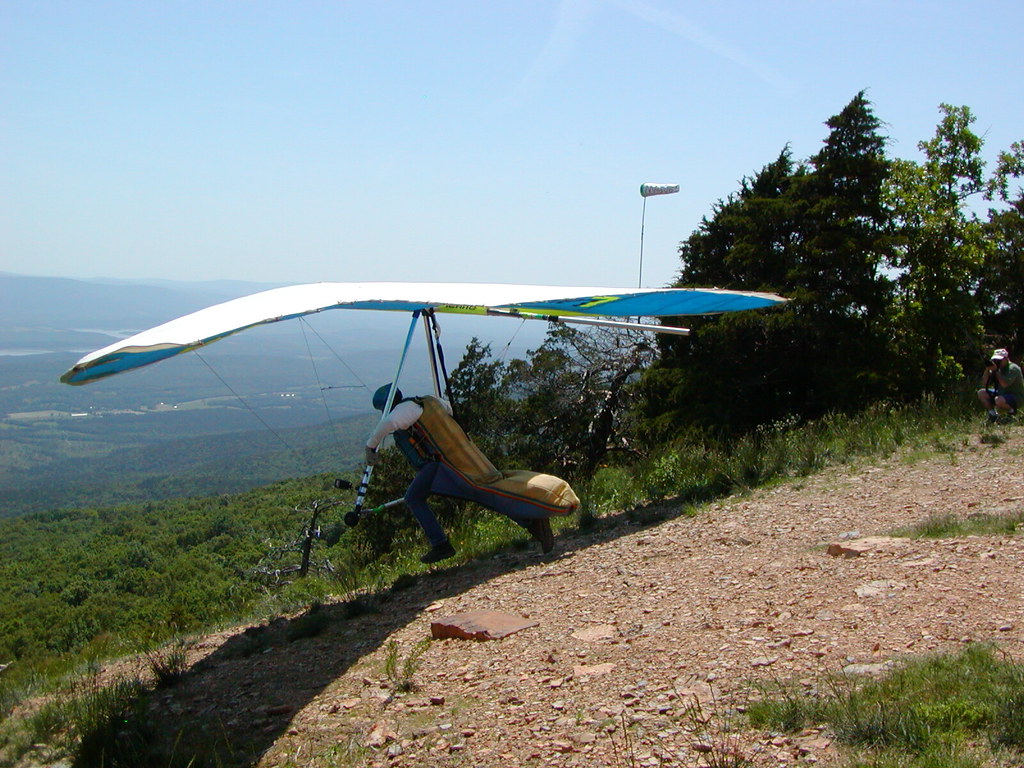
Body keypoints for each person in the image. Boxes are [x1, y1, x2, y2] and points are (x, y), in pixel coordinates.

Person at [364, 384, 577, 564]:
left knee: (415, 498)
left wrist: (371, 446)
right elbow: (448, 409)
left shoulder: (404, 411)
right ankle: (532, 523)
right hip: (460, 456)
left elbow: (389, 424)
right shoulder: (427, 401)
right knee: (485, 493)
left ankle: (441, 544)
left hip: (442, 463)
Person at [977, 348, 1023, 423]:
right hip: (1002, 394)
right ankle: (993, 415)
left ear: (1006, 359)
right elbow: (984, 384)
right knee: (981, 393)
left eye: (999, 360)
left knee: (998, 400)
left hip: (1016, 397)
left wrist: (996, 371)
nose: (997, 362)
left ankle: (1011, 413)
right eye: (995, 360)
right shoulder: (998, 369)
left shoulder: (1013, 368)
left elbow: (1004, 384)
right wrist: (987, 369)